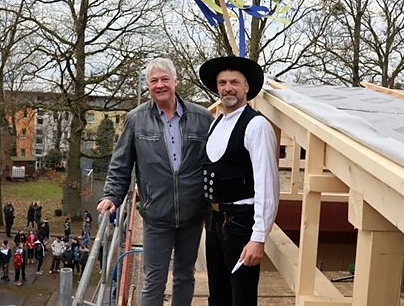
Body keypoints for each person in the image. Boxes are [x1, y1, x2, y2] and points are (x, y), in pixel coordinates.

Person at [98, 57, 213, 306]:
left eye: (164, 79)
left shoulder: (202, 118)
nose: (159, 85)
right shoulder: (136, 119)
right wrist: (112, 196)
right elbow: (121, 163)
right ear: (148, 85)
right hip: (157, 213)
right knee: (153, 280)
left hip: (192, 212)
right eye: (153, 81)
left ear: (175, 81)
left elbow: (214, 161)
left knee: (185, 276)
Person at [198, 56, 280, 306]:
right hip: (214, 222)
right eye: (222, 83)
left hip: (240, 223)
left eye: (234, 82)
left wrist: (259, 237)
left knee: (241, 297)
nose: (227, 88)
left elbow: (267, 185)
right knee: (218, 294)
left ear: (246, 87)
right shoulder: (216, 123)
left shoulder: (256, 125)